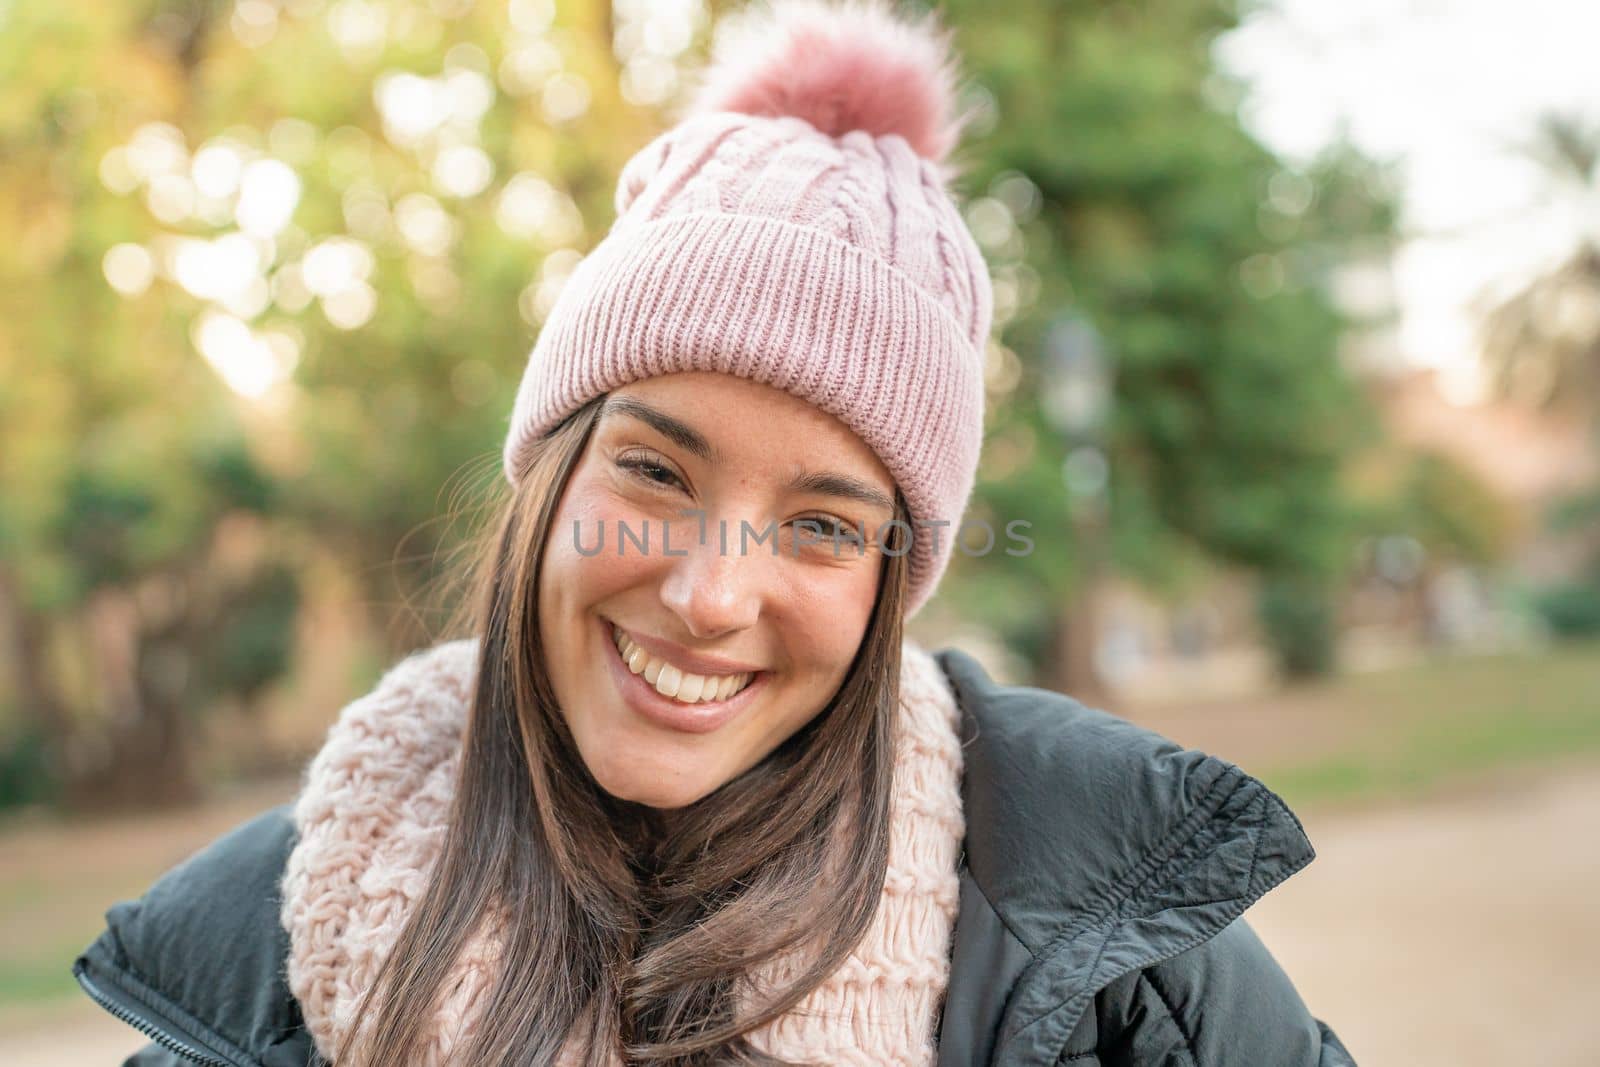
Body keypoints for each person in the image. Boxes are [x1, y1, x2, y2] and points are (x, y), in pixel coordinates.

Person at [73, 1, 1357, 1063]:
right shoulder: (265, 955)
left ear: (888, 583)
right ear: (549, 481)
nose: (706, 593)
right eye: (652, 470)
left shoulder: (1110, 933)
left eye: (820, 525)